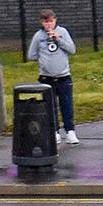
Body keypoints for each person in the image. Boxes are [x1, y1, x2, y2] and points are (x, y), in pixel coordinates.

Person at [26, 8, 79, 145]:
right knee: (50, 106)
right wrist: (43, 60)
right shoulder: (38, 36)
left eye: (50, 21)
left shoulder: (63, 32)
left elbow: (72, 49)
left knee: (66, 104)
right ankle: (54, 131)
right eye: (45, 22)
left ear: (55, 20)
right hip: (46, 77)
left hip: (63, 76)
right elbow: (31, 55)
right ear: (41, 22)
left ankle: (70, 131)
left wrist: (58, 40)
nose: (48, 24)